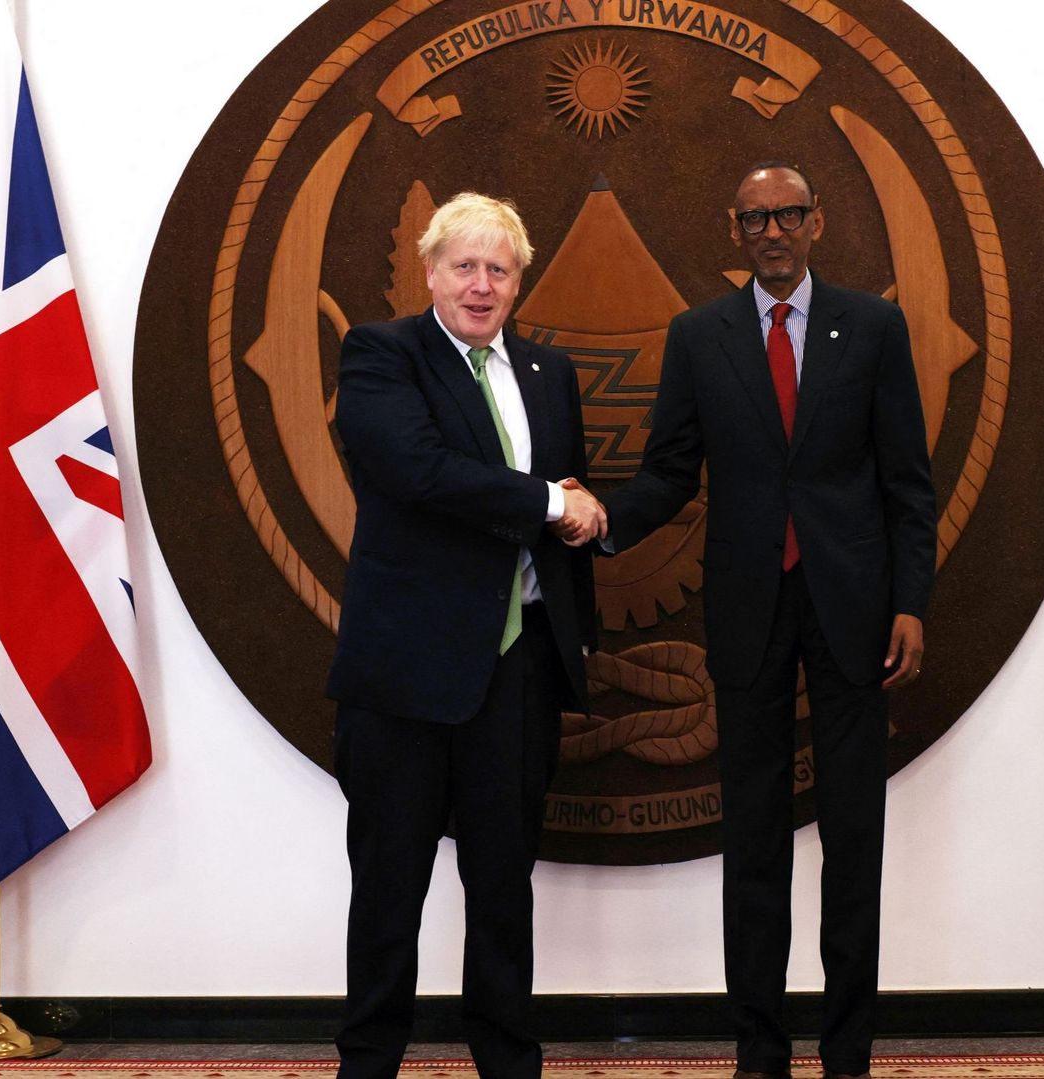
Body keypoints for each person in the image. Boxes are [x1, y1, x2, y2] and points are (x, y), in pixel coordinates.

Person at [575, 161, 937, 1079]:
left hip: (856, 613)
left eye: (788, 214)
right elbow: (670, 470)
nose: (772, 231)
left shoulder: (874, 326)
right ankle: (760, 1051)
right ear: (733, 231)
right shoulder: (700, 335)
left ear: (817, 222)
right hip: (746, 608)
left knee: (854, 837)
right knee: (755, 839)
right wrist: (605, 518)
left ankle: (848, 1052)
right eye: (755, 219)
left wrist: (910, 602)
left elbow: (907, 483)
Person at [325, 191, 604, 1079]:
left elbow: (570, 503)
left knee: (504, 886)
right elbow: (418, 471)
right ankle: (369, 1064)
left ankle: (509, 1062)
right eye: (465, 266)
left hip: (518, 669)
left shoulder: (549, 372)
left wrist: (578, 515)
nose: (481, 285)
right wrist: (551, 501)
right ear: (430, 272)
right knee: (389, 887)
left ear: (519, 282)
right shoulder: (382, 354)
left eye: (500, 269)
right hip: (405, 672)